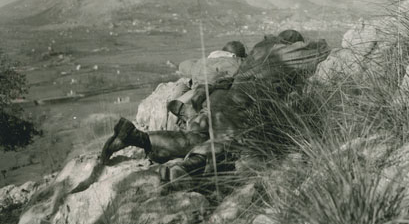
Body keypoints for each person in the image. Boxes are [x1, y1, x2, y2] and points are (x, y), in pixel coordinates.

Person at [100, 31, 329, 177]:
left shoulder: (258, 50)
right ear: (291, 44)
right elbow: (322, 51)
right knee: (229, 144)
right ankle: (189, 167)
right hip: (244, 102)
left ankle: (137, 137)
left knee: (195, 137)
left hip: (218, 98)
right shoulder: (285, 52)